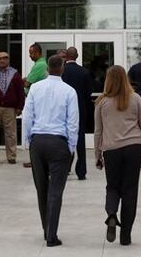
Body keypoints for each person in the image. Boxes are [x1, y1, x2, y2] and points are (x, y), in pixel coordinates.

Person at [22, 55, 79, 247]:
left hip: (38, 141)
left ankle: (46, 229)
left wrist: (28, 140)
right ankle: (51, 235)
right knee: (56, 191)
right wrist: (71, 147)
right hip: (58, 142)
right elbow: (73, 122)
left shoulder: (35, 88)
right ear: (62, 68)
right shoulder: (69, 91)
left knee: (41, 188)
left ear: (47, 68)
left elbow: (28, 115)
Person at [94, 65, 141, 246]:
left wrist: (97, 154)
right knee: (130, 191)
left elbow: (98, 131)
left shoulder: (102, 102)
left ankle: (112, 214)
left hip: (111, 149)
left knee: (112, 187)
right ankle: (125, 235)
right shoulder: (135, 98)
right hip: (134, 148)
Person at [61, 47, 93, 180]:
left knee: (64, 139)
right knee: (80, 140)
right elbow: (88, 93)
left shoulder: (61, 71)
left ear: (66, 56)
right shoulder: (84, 72)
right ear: (77, 56)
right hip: (80, 110)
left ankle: (64, 169)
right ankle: (81, 171)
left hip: (63, 110)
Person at [22, 43, 49, 168]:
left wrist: (22, 81)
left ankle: (35, 160)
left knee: (34, 131)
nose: (30, 55)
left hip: (36, 102)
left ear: (38, 53)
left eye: (31, 53)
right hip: (39, 101)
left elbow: (27, 83)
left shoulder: (40, 65)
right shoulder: (40, 64)